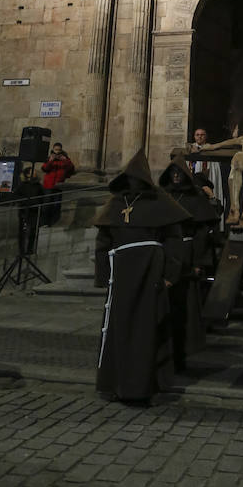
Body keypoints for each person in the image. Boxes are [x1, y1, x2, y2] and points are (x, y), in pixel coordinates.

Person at [94, 149, 190, 402]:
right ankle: (116, 383)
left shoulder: (161, 202)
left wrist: (171, 273)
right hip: (122, 277)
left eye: (138, 179)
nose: (134, 184)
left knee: (146, 329)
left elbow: (174, 240)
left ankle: (144, 385)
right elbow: (103, 242)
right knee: (118, 327)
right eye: (130, 179)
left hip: (150, 275)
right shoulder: (115, 204)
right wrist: (103, 275)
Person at [159, 156, 219, 371]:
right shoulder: (162, 196)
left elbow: (202, 233)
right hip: (164, 256)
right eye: (172, 172)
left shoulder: (194, 197)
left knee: (185, 308)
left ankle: (183, 353)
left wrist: (199, 261)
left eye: (179, 172)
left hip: (186, 255)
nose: (176, 175)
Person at [187, 127, 224, 218]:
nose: (200, 137)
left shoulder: (211, 149)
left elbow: (215, 171)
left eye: (202, 135)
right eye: (197, 135)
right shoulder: (189, 149)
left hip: (208, 181)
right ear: (194, 137)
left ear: (206, 137)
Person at [40, 142, 75, 226]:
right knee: (47, 204)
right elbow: (44, 168)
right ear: (53, 149)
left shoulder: (65, 158)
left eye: (59, 150)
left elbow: (71, 168)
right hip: (49, 185)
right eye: (56, 150)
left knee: (56, 205)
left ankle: (54, 222)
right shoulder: (49, 158)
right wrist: (50, 161)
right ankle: (44, 222)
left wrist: (65, 160)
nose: (57, 152)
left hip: (59, 185)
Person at [14, 166, 44, 256]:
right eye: (32, 172)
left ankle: (30, 249)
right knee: (22, 231)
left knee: (33, 231)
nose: (34, 173)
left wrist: (37, 204)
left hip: (34, 211)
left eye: (34, 171)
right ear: (27, 174)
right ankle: (21, 250)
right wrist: (24, 202)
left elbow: (41, 197)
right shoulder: (23, 185)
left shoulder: (38, 186)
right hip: (24, 210)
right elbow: (16, 196)